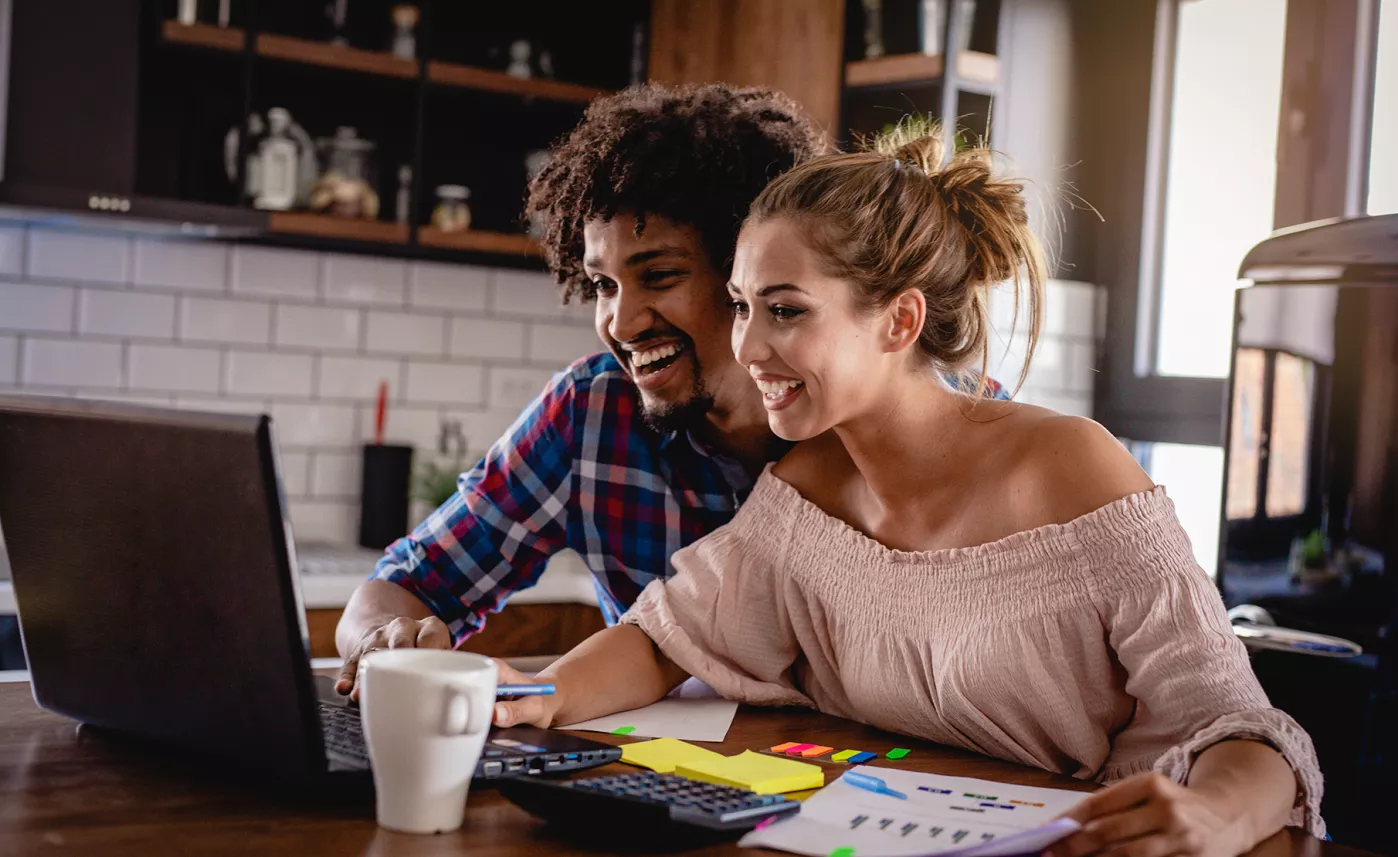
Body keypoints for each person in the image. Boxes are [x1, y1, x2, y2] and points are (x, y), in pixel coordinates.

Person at [491, 129, 1325, 855]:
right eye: (742, 305)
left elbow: (1243, 728)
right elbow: (665, 637)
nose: (748, 345)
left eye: (785, 310)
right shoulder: (807, 486)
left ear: (899, 321)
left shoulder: (1075, 469)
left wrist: (1213, 814)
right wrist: (534, 696)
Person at [333, 84, 1005, 697]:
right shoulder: (590, 416)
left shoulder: (923, 425)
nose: (619, 324)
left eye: (657, 275)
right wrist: (381, 639)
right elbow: (408, 582)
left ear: (745, 270)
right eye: (602, 285)